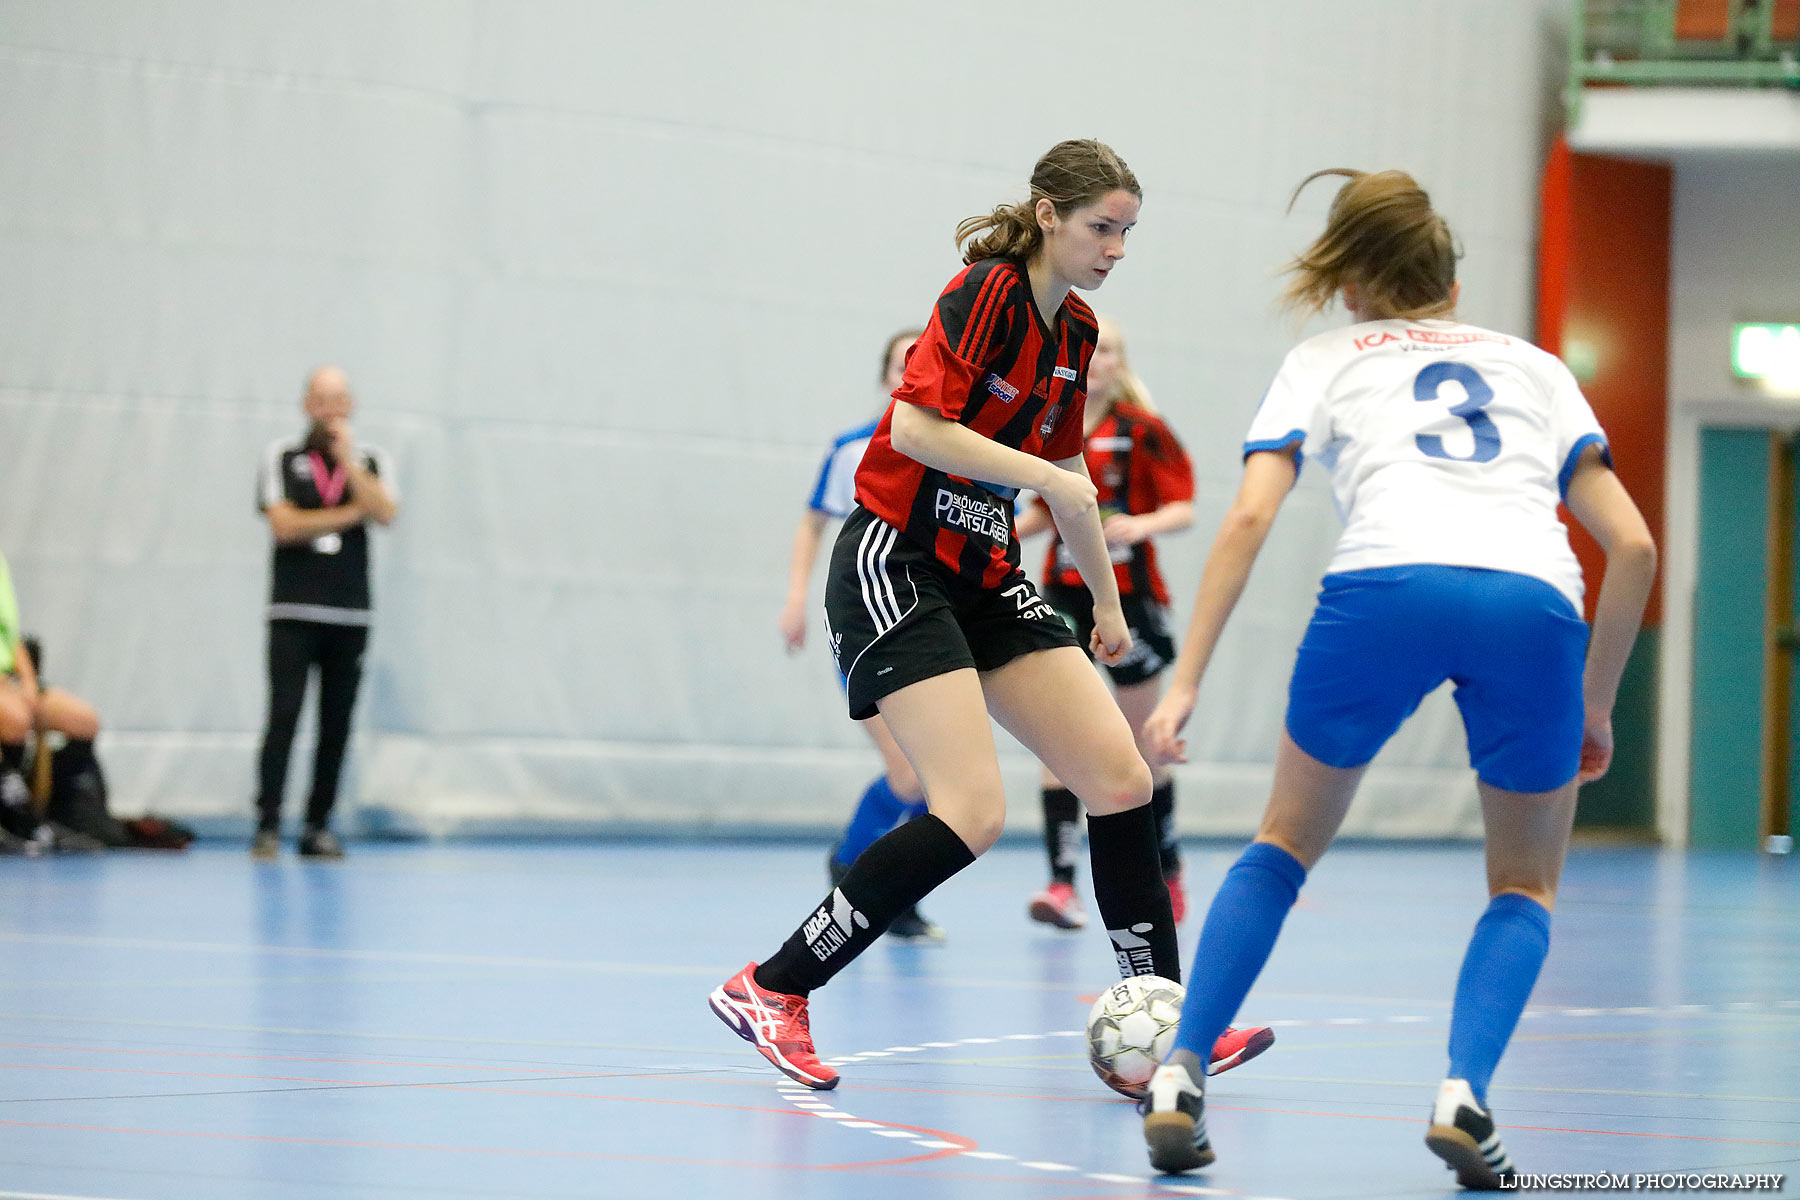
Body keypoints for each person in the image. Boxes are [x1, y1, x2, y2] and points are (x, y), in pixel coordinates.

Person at [709, 139, 1271, 1091]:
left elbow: (1077, 484)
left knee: (1121, 779)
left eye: (1129, 232)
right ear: (1050, 214)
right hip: (899, 560)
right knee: (971, 813)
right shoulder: (986, 294)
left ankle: (1166, 1019)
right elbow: (916, 430)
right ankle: (774, 986)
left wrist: (1104, 602)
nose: (1117, 247)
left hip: (989, 573)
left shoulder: (1077, 333)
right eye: (1103, 227)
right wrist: (1044, 477)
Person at [1135, 169, 1657, 1186]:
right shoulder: (1538, 367)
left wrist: (1187, 676)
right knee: (1523, 883)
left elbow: (1246, 516)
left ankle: (1180, 1072)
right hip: (1532, 601)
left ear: (1350, 283)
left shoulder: (1324, 358)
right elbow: (1631, 547)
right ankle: (1465, 1096)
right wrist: (1594, 702)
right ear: (1451, 283)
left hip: (1382, 588)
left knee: (1282, 846)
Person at [1014, 316, 1197, 929]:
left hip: (1133, 597)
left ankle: (1167, 871)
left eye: (1113, 352)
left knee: (1144, 741)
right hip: (1063, 596)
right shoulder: (1052, 430)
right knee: (1056, 739)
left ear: (1121, 364)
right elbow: (1044, 511)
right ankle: (1061, 884)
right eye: (1094, 353)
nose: (1100, 362)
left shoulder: (1144, 431)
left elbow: (1183, 507)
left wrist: (1141, 525)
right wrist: (995, 533)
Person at [781, 328, 943, 941]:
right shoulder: (853, 447)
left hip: (933, 622)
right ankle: (853, 864)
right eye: (904, 363)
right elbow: (813, 521)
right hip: (867, 620)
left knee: (943, 777)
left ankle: (895, 890)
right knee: (909, 774)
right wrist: (797, 598)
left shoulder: (959, 445)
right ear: (886, 378)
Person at [252, 366, 399, 859]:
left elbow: (385, 511)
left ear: (351, 407)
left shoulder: (371, 461)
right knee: (285, 717)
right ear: (306, 405)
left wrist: (347, 463)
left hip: (349, 615)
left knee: (336, 725)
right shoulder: (283, 457)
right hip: (293, 611)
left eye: (339, 401)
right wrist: (346, 514)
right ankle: (268, 822)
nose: (330, 411)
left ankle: (318, 825)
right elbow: (284, 525)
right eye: (321, 401)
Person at [0, 550, 106, 853]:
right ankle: (20, 820)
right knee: (16, 721)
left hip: (8, 679)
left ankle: (66, 814)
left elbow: (12, 636)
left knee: (84, 720)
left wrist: (29, 683)